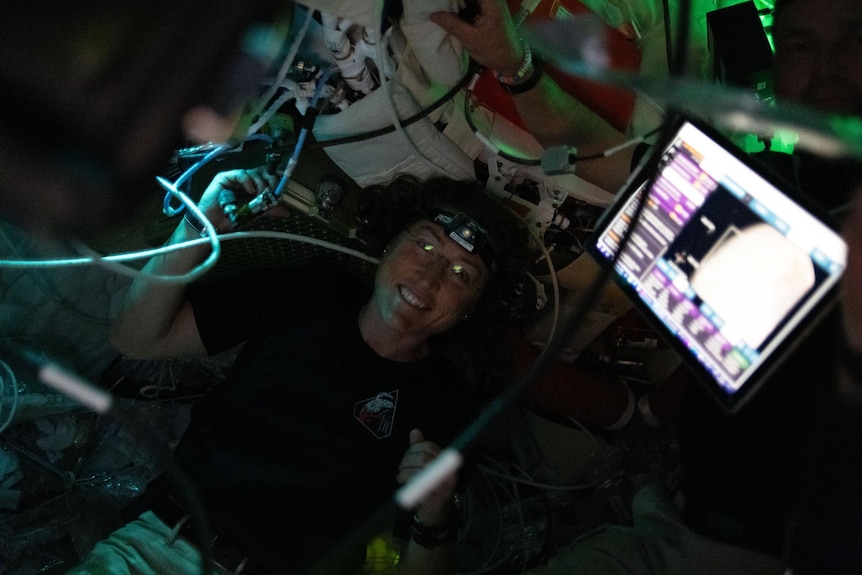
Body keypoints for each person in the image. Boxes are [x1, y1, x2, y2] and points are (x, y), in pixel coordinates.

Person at [430, 0, 862, 570]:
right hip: (671, 528)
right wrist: (514, 63)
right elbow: (589, 151)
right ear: (779, 69)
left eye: (853, 40)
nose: (827, 66)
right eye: (802, 46)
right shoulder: (750, 188)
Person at [67, 167, 537, 574]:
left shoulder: (448, 408)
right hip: (157, 549)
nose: (429, 278)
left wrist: (434, 518)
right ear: (391, 243)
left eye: (462, 275)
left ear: (473, 308)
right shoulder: (309, 290)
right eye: (426, 247)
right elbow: (135, 337)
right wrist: (196, 226)